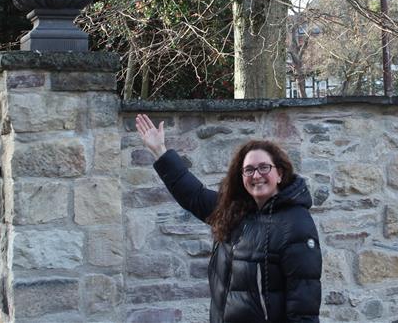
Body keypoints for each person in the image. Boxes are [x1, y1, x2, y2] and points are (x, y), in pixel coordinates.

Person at [135, 114, 322, 323]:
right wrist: (160, 151)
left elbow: (304, 306)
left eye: (264, 167)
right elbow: (193, 195)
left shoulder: (296, 224)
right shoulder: (234, 212)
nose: (256, 175)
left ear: (279, 173)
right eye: (249, 169)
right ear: (241, 177)